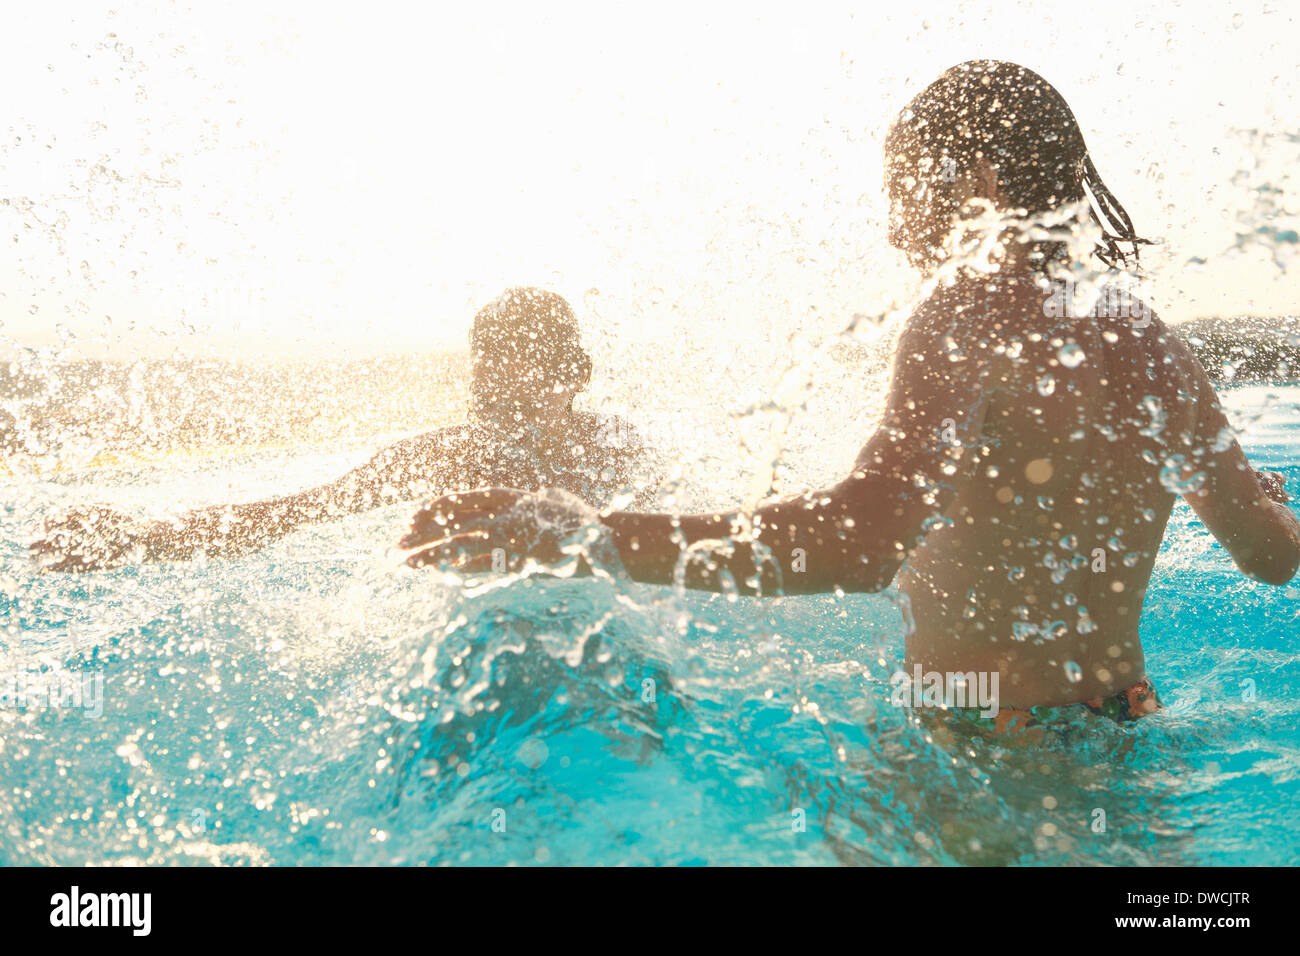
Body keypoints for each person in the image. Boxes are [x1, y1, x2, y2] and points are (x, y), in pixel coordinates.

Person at [400, 61, 1299, 728]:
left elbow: (864, 542)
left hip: (979, 744)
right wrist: (1277, 505)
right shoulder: (1151, 339)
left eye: (905, 190)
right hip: (1127, 723)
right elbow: (1269, 555)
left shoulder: (967, 312)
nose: (896, 224)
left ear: (976, 180)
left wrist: (588, 534)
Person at [33, 287, 657, 572]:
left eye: (513, 352)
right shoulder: (447, 457)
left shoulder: (618, 453)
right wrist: (141, 535)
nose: (488, 370)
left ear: (572, 373)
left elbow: (674, 558)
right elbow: (293, 512)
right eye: (481, 352)